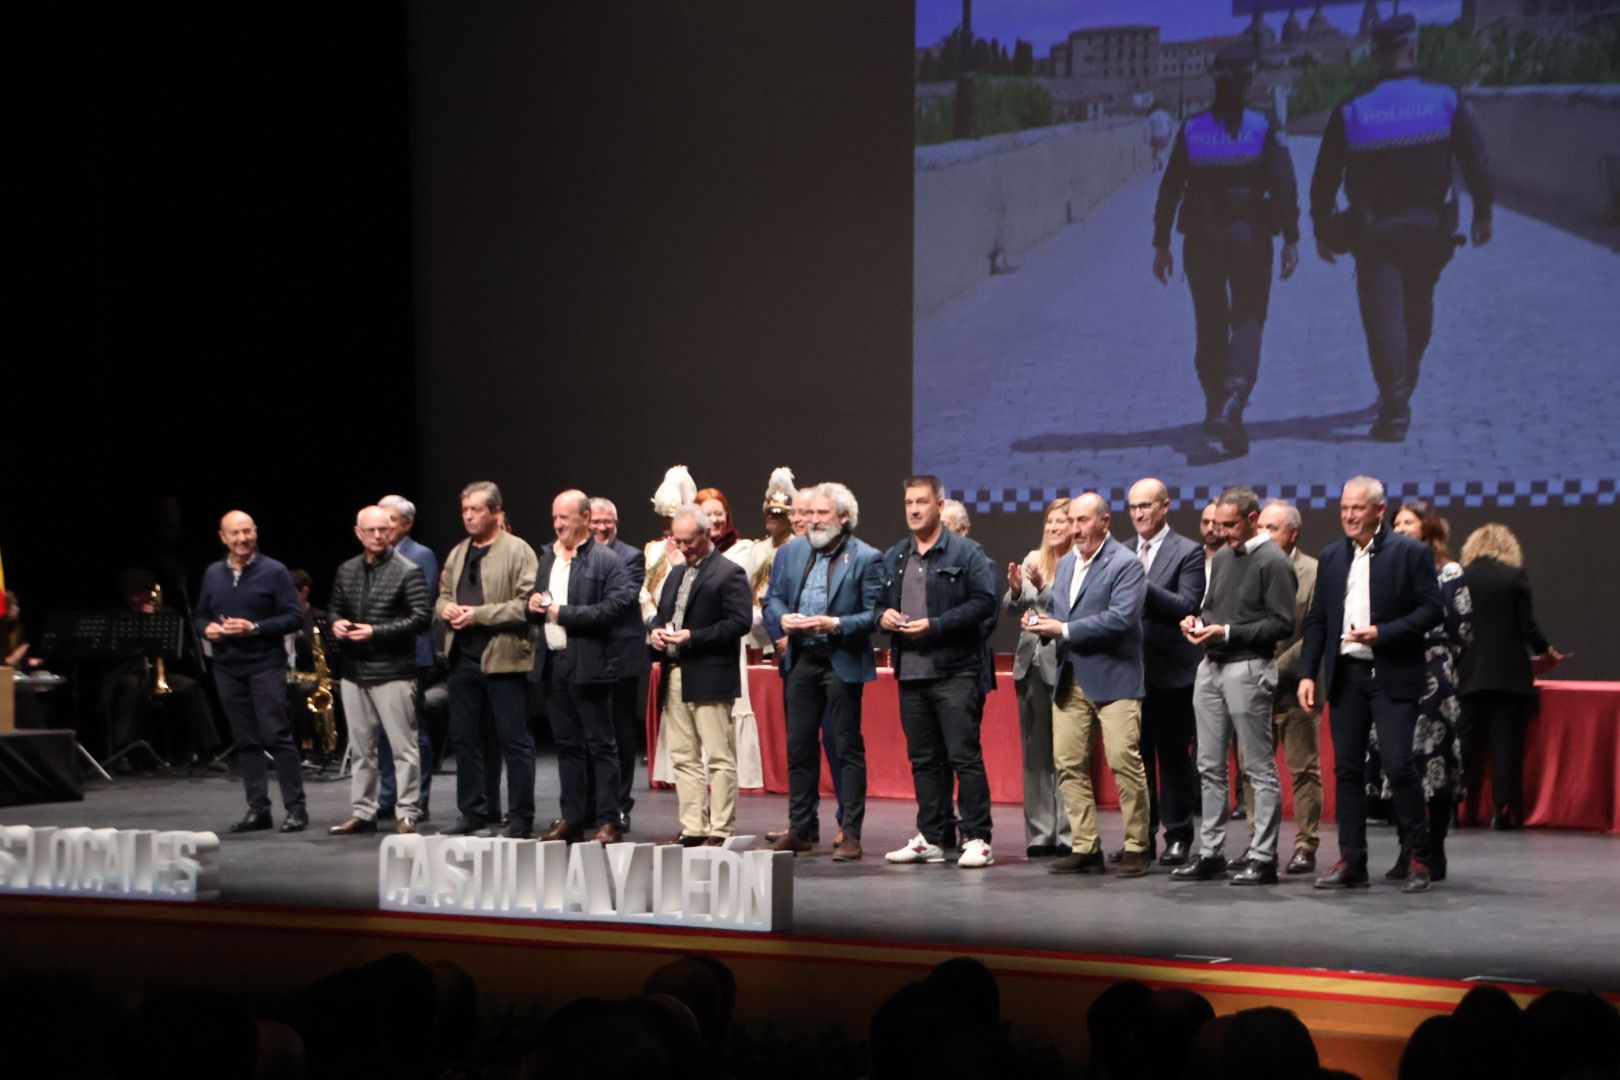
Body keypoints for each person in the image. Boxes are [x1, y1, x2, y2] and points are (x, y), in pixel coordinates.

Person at [1309, 13, 1493, 442]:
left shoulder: (1352, 107)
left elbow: (1325, 175)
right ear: (1413, 47)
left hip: (1375, 232)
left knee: (1383, 318)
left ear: (1375, 53)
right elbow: (1475, 158)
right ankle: (1403, 383)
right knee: (1417, 308)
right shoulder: (1445, 98)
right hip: (1432, 229)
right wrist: (1483, 211)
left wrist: (1321, 225)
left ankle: (1394, 407)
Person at [1152, 42, 1300, 456]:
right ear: (1250, 80)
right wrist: (1291, 235)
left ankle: (1216, 402)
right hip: (1250, 236)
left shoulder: (1193, 128)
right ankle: (1233, 402)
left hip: (1201, 239)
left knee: (1210, 320)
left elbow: (1170, 190)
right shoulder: (1263, 125)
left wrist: (1161, 243)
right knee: (1249, 316)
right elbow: (1285, 185)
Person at [1298, 476, 1443, 892]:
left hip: (1392, 673)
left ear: (1380, 510)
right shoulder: (1331, 557)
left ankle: (1418, 857)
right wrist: (1309, 672)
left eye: (1357, 508)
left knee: (1398, 766)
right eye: (1344, 508)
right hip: (1347, 675)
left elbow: (1432, 611)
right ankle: (1352, 861)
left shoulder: (1410, 553)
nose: (1348, 515)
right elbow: (1319, 621)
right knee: (1346, 771)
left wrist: (1384, 632)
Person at [1172, 487, 1295, 885]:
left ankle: (1263, 856)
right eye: (1217, 525)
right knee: (1208, 765)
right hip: (1211, 666)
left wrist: (1226, 631)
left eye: (1230, 525)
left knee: (1257, 767)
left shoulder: (1273, 560)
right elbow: (1211, 608)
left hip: (1248, 667)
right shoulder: (1223, 557)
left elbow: (1282, 623)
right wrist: (1195, 623)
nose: (1221, 533)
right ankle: (1211, 852)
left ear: (1253, 518)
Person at [1025, 493, 1151, 877]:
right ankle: (1085, 846)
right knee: (1067, 764)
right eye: (1072, 521)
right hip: (1070, 677)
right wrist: (1041, 622)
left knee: (1123, 762)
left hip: (1115, 679)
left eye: (1083, 521)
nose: (1076, 529)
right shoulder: (1064, 566)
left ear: (1105, 522)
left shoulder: (1126, 565)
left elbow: (1121, 619)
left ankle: (1137, 845)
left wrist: (1061, 628)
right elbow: (1063, 615)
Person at [880, 476, 998, 870]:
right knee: (924, 759)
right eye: (909, 503)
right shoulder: (897, 555)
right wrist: (884, 616)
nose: (914, 510)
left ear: (939, 505)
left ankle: (978, 837)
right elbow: (879, 603)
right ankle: (931, 836)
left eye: (922, 502)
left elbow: (984, 603)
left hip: (955, 671)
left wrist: (937, 625)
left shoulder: (965, 552)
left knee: (964, 756)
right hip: (911, 672)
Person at [762, 482, 882, 860]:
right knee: (799, 746)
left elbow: (874, 615)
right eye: (809, 514)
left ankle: (851, 833)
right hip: (801, 660)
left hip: (839, 659)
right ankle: (800, 828)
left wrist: (834, 624)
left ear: (844, 518)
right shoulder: (794, 550)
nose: (812, 520)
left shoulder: (866, 557)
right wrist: (784, 619)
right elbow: (773, 598)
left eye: (822, 514)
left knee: (846, 748)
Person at [530, 490, 636, 843]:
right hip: (554, 662)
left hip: (590, 664)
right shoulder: (548, 558)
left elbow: (615, 608)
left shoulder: (605, 561)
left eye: (566, 518)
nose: (558, 524)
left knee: (601, 745)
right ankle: (571, 818)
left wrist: (565, 613)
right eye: (555, 518)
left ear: (586, 519)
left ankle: (609, 820)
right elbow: (540, 601)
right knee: (567, 746)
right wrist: (533, 604)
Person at [436, 482, 539, 838]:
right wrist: (445, 608)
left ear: (496, 512)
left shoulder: (517, 550)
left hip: (504, 656)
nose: (469, 516)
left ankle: (521, 816)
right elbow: (444, 594)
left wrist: (477, 615)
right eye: (465, 510)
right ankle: (474, 811)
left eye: (476, 510)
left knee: (514, 740)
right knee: (465, 738)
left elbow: (526, 605)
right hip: (462, 656)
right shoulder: (459, 552)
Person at [195, 510, 308, 833]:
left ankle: (296, 808)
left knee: (276, 734)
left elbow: (293, 617)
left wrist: (254, 627)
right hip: (227, 665)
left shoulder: (274, 571)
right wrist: (209, 630)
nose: (242, 538)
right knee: (245, 739)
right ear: (223, 537)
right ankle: (258, 808)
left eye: (248, 531)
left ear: (256, 532)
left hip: (264, 663)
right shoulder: (213, 573)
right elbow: (200, 616)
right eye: (235, 533)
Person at [326, 506, 432, 837]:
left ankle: (407, 812)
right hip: (354, 671)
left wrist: (375, 631)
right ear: (358, 533)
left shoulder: (407, 570)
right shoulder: (347, 570)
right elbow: (334, 608)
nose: (377, 535)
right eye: (370, 530)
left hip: (393, 672)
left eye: (383, 530)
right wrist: (336, 623)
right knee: (362, 749)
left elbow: (421, 619)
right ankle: (363, 811)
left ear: (392, 531)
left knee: (404, 748)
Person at [651, 504, 753, 845]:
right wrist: (655, 632)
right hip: (675, 671)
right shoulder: (676, 573)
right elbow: (663, 614)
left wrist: (693, 637)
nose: (683, 547)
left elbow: (738, 623)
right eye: (677, 541)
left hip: (709, 674)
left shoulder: (729, 573)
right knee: (683, 756)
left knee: (719, 756)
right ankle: (694, 825)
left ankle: (721, 828)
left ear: (707, 534)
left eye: (689, 541)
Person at [1383, 499, 1471, 880]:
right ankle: (1408, 850)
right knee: (1401, 764)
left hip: (1434, 672)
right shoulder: (1387, 567)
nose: (1400, 528)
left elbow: (1463, 629)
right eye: (1396, 522)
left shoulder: (1448, 571)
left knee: (1433, 764)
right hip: (1394, 668)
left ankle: (1433, 851)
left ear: (1427, 528)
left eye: (1409, 522)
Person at [1457, 524, 1565, 830]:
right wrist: (1547, 651)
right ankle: (1500, 811)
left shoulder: (1462, 577)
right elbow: (1527, 626)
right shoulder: (1514, 578)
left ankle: (1454, 807)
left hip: (1468, 673)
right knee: (1503, 742)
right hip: (1508, 675)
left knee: (1463, 742)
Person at [1122, 478, 1205, 866]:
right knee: (1135, 760)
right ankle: (1141, 837)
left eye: (1146, 506)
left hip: (1172, 673)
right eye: (1133, 507)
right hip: (1128, 673)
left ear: (1165, 506)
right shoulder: (1121, 552)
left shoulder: (1188, 552)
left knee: (1173, 758)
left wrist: (1141, 584)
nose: (1139, 513)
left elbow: (1187, 604)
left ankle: (1178, 835)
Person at [1002, 498, 1073, 858]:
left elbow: (1069, 609)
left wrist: (1043, 588)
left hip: (1064, 664)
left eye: (1062, 521)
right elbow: (1013, 606)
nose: (1054, 527)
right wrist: (1016, 590)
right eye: (1050, 522)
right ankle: (1040, 833)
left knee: (1067, 752)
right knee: (1036, 753)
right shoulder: (1033, 557)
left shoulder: (1080, 562)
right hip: (1029, 662)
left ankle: (1068, 833)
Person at [1257, 499, 1323, 875]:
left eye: (1272, 529)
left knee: (1303, 769)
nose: (1264, 535)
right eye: (1260, 527)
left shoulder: (1314, 571)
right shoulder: (1249, 567)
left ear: (1292, 533)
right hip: (1253, 688)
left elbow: (1314, 632)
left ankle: (1306, 844)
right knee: (1255, 769)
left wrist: (1270, 669)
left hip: (1296, 687)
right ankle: (1259, 842)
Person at [102, 567, 219, 768]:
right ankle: (124, 752)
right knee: (131, 687)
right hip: (130, 673)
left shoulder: (166, 614)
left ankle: (208, 750)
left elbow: (180, 650)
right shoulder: (118, 617)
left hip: (161, 675)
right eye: (133, 594)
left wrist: (156, 621)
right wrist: (140, 623)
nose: (138, 598)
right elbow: (112, 654)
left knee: (191, 687)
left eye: (142, 593)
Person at [588, 496, 651, 831]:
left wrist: (576, 608)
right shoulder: (577, 556)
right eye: (595, 522)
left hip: (622, 658)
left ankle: (620, 804)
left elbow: (620, 599)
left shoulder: (631, 557)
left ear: (616, 523)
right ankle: (593, 805)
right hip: (589, 655)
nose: (601, 527)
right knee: (591, 734)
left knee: (621, 733)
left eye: (606, 522)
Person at [376, 493, 440, 820]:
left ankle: (419, 799)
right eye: (380, 522)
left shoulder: (420, 555)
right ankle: (389, 796)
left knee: (413, 730)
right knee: (385, 730)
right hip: (380, 654)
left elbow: (420, 603)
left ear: (407, 523)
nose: (384, 528)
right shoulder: (376, 555)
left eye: (391, 521)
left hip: (412, 653)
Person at [1145, 105, 1173, 171]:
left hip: (1154, 135)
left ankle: (1154, 165)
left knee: (1154, 150)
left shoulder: (1152, 115)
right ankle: (1160, 160)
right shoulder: (1166, 114)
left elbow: (1146, 126)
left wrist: (1145, 136)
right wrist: (1170, 133)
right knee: (1161, 150)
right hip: (1163, 135)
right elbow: (1171, 124)